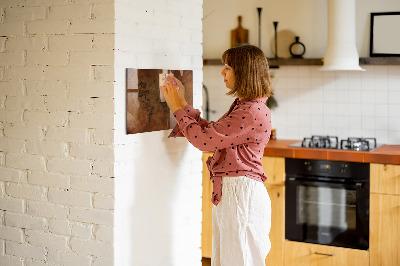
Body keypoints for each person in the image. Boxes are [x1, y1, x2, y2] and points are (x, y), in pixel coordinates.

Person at [161, 44, 273, 266]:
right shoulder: (246, 106)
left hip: (241, 195)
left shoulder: (250, 111)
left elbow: (204, 141)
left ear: (244, 72)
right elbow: (212, 133)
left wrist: (176, 108)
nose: (222, 72)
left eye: (228, 67)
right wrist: (182, 104)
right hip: (236, 193)